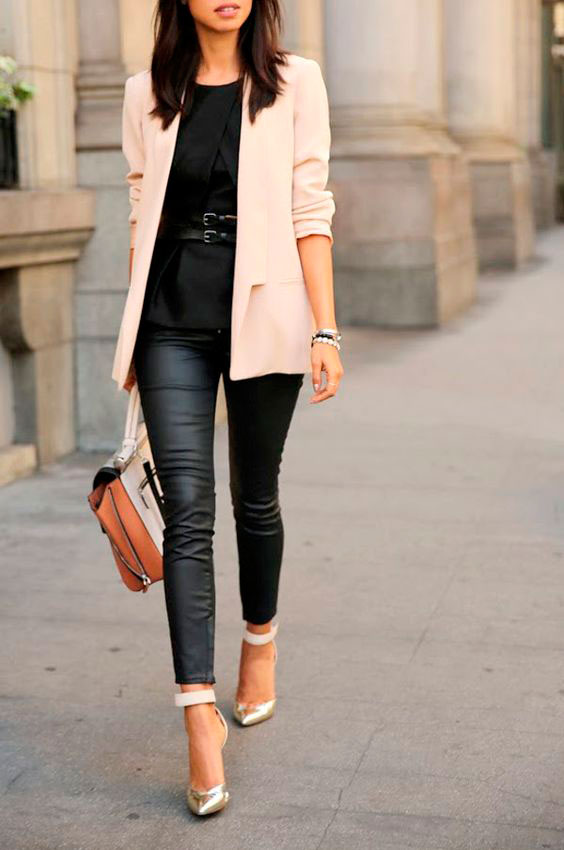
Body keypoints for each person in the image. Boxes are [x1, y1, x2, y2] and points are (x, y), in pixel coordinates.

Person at [112, 0, 343, 817]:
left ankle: (260, 640)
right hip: (169, 323)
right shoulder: (146, 92)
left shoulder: (295, 82)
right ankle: (197, 714)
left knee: (255, 497)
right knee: (188, 512)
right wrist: (132, 335)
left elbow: (310, 209)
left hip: (267, 314)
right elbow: (141, 211)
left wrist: (325, 329)